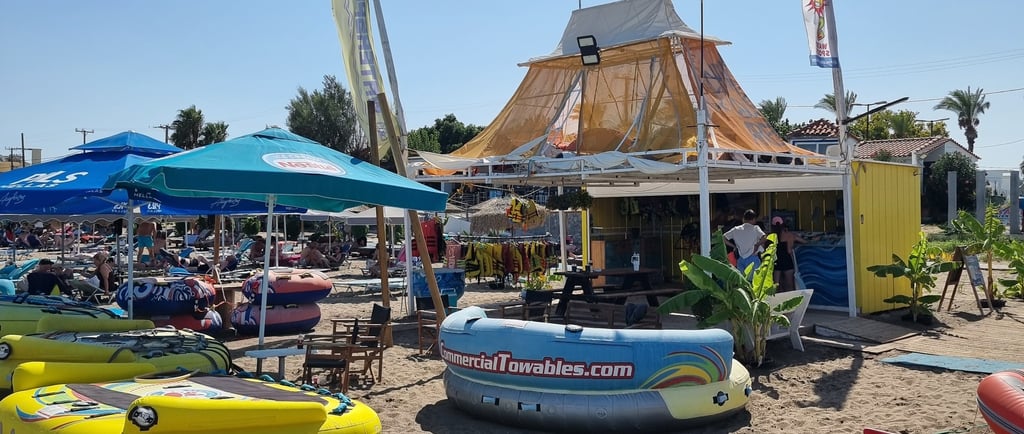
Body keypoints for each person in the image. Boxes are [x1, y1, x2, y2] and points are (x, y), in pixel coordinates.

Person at [723, 209, 766, 277]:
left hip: (740, 259)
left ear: (743, 219)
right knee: (754, 283)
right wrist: (757, 244)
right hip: (753, 258)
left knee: (742, 283)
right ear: (754, 219)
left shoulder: (736, 229)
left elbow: (723, 238)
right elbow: (764, 237)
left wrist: (734, 246)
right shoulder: (755, 228)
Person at [771, 216, 807, 292]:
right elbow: (803, 242)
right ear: (783, 225)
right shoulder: (789, 235)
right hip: (787, 261)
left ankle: (777, 302)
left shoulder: (770, 236)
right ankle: (791, 302)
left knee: (776, 285)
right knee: (790, 285)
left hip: (776, 262)